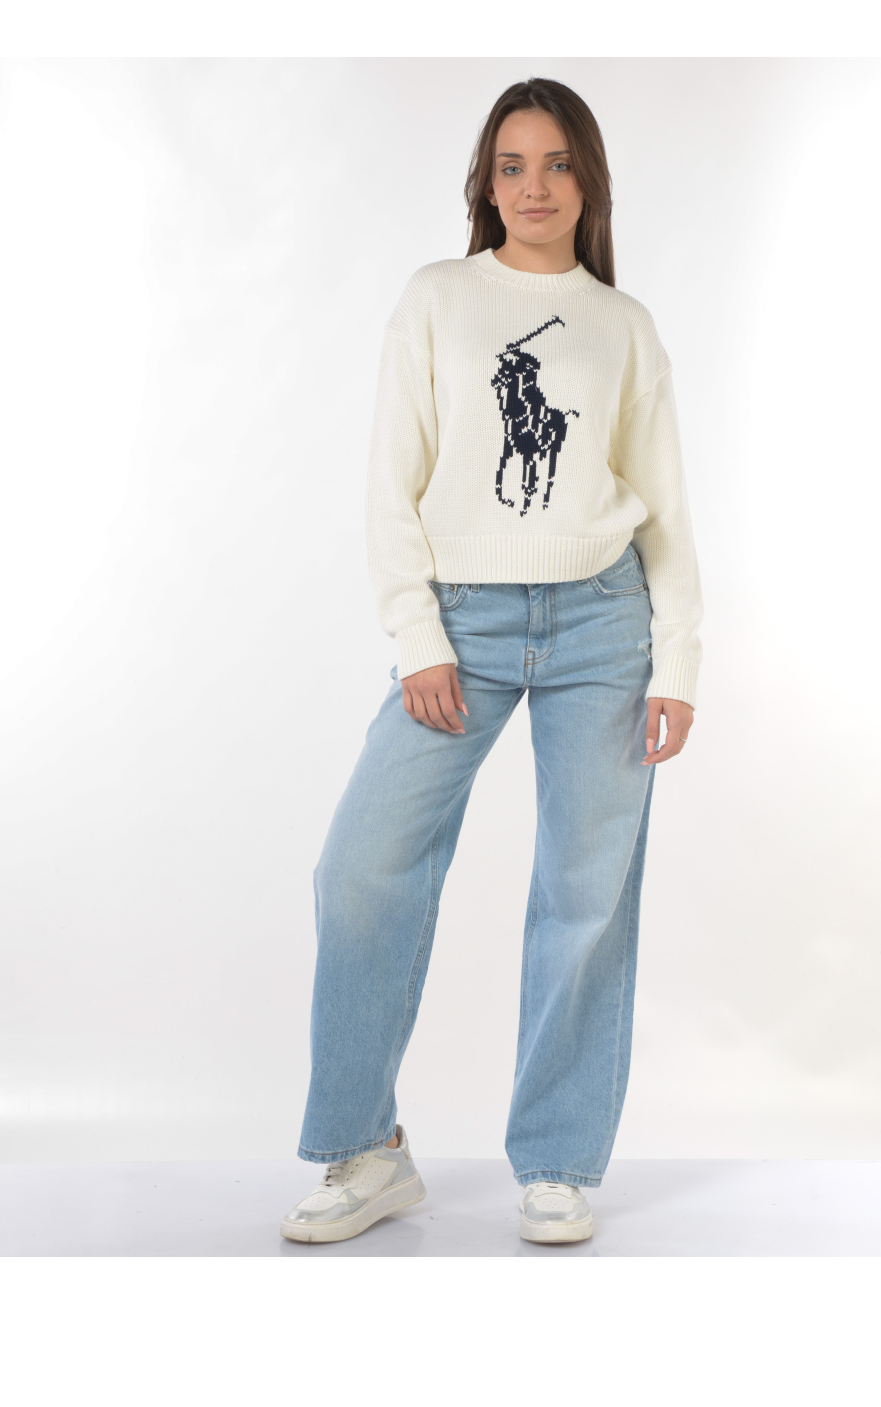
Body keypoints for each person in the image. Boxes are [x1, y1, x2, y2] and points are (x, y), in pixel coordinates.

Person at [280, 77, 703, 1247]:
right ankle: (367, 1150)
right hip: (461, 621)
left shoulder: (623, 326)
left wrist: (678, 661)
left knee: (584, 892)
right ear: (485, 183)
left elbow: (666, 506)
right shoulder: (438, 298)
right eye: (512, 165)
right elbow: (392, 480)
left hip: (605, 621)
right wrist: (419, 634)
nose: (534, 186)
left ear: (589, 181)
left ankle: (558, 1161)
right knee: (361, 868)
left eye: (557, 163)